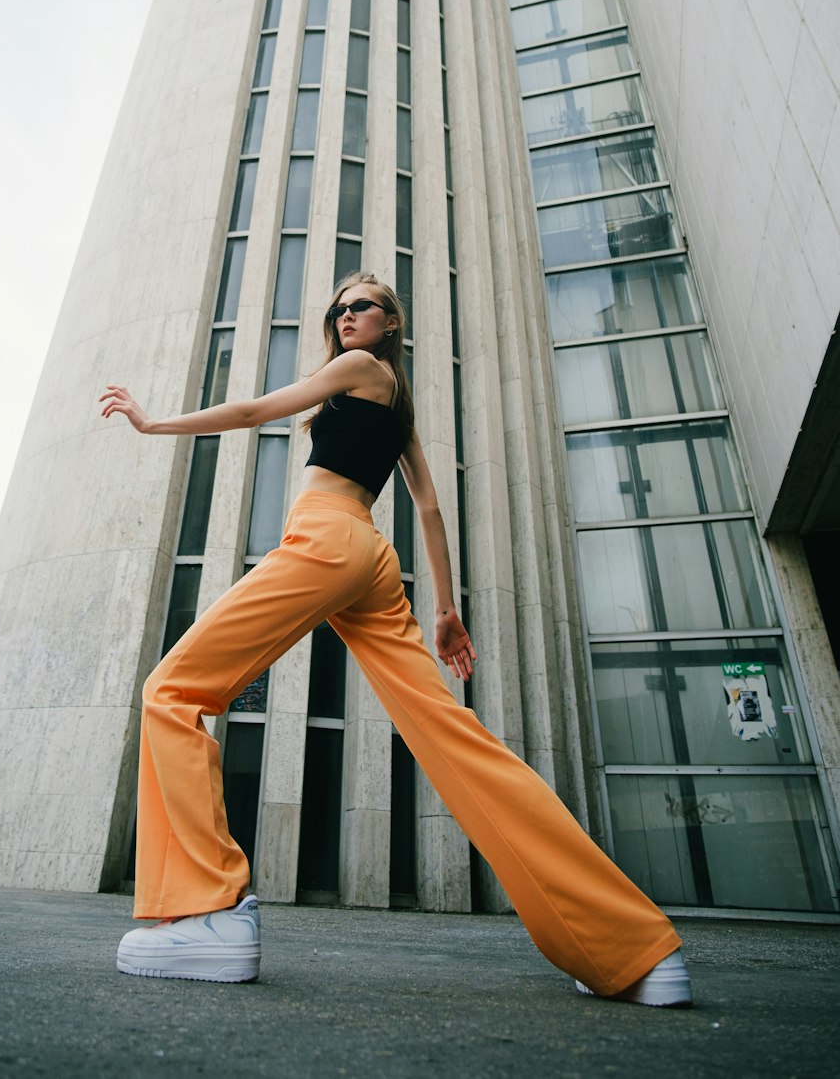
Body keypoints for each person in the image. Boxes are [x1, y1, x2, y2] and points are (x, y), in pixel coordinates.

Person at [99, 271, 691, 1005]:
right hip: (374, 561)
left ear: (390, 322)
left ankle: (206, 911)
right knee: (454, 737)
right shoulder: (399, 403)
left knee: (172, 690)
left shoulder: (357, 370)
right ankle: (627, 948)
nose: (347, 316)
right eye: (339, 308)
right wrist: (445, 607)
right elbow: (430, 509)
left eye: (363, 306)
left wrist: (155, 424)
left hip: (326, 539)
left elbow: (256, 407)